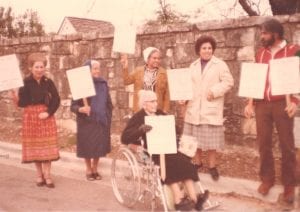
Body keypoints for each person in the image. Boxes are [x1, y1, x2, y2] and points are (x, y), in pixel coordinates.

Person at [121, 90, 208, 211]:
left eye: (156, 101)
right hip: (152, 151)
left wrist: (171, 124)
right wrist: (140, 130)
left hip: (168, 147)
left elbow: (174, 130)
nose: (156, 104)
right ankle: (178, 199)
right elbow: (124, 138)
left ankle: (195, 199)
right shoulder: (138, 117)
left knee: (184, 161)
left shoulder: (160, 113)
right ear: (144, 104)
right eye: (152, 101)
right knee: (169, 164)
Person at [244, 18, 300, 204]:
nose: (262, 36)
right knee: (264, 143)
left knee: (287, 145)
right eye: (261, 33)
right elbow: (255, 79)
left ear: (276, 34)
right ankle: (267, 179)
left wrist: (295, 101)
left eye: (265, 33)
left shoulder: (293, 51)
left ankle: (289, 184)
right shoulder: (261, 53)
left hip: (282, 104)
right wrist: (250, 103)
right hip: (262, 104)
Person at [181, 35, 234, 181]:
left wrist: (215, 91)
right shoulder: (193, 66)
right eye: (204, 48)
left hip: (210, 109)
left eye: (210, 48)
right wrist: (183, 98)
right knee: (195, 140)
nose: (207, 50)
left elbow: (229, 82)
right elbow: (187, 86)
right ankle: (197, 162)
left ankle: (212, 166)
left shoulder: (220, 64)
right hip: (194, 109)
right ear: (199, 50)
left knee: (211, 142)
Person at [11, 53, 60, 188]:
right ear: (30, 68)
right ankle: (39, 175)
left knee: (47, 147)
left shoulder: (48, 82)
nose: (40, 69)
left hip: (46, 117)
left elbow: (56, 99)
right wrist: (15, 95)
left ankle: (48, 175)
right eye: (37, 67)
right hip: (31, 118)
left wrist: (48, 112)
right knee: (36, 148)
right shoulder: (25, 83)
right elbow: (22, 103)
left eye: (42, 67)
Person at [71, 60, 113, 181]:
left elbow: (108, 102)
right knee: (88, 146)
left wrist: (107, 115)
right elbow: (73, 106)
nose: (97, 71)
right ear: (87, 70)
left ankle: (95, 168)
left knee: (98, 146)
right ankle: (88, 169)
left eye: (98, 68)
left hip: (100, 120)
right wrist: (81, 109)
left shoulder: (103, 83)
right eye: (94, 68)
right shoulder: (80, 85)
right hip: (86, 120)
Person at [120, 47, 170, 113]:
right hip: (140, 109)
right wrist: (125, 67)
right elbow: (126, 81)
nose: (157, 60)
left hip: (157, 109)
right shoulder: (138, 71)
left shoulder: (163, 73)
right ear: (148, 58)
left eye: (159, 58)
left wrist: (165, 110)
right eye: (154, 58)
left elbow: (167, 94)